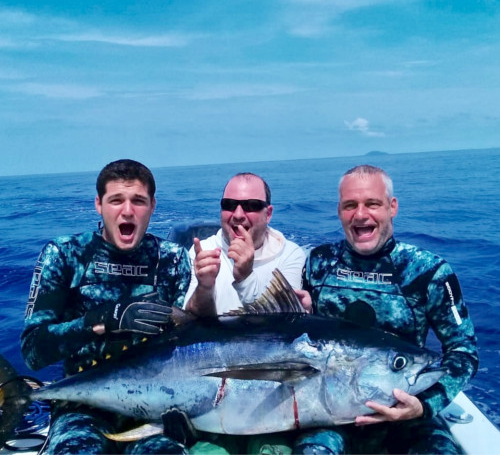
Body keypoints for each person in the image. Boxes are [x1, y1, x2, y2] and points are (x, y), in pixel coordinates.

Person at [296, 165, 478, 454]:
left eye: (372, 204)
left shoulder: (428, 270)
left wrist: (423, 405)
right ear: (339, 211)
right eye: (350, 205)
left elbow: (464, 351)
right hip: (332, 417)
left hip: (406, 418)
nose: (360, 214)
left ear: (392, 207)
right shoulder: (319, 262)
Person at [21, 159, 192, 454]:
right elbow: (32, 351)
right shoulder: (65, 254)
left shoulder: (173, 259)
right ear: (99, 205)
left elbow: (185, 344)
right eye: (116, 200)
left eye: (138, 201)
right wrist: (101, 320)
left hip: (153, 406)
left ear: (152, 206)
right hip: (81, 407)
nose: (127, 210)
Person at [184, 172, 308, 316]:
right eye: (229, 204)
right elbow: (192, 319)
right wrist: (205, 288)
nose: (238, 215)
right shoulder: (204, 251)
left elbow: (283, 322)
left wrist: (245, 277)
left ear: (268, 214)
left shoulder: (290, 254)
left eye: (251, 205)